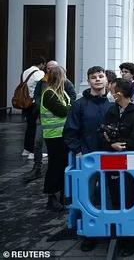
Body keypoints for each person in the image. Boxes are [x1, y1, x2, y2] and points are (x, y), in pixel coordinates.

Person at [63, 65, 112, 252]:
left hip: (110, 159)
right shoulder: (79, 105)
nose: (97, 80)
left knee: (109, 196)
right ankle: (89, 234)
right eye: (93, 77)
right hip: (87, 159)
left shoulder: (112, 103)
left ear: (106, 79)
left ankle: (108, 229)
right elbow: (70, 131)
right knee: (86, 197)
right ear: (89, 80)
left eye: (101, 76)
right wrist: (78, 151)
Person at [101, 78, 134, 257]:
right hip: (113, 163)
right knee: (116, 199)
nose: (110, 93)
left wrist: (120, 143)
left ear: (118, 93)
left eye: (112, 90)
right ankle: (119, 234)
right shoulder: (111, 110)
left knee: (130, 199)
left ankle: (132, 238)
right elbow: (104, 131)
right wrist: (111, 143)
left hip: (131, 166)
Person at [40, 66, 72, 212]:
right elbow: (63, 111)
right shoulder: (49, 94)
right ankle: (51, 196)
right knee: (55, 166)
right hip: (54, 135)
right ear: (60, 77)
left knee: (63, 165)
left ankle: (61, 195)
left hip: (62, 134)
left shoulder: (61, 92)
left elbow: (69, 105)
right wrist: (71, 107)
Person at [20, 56, 46, 158]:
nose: (44, 67)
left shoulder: (25, 72)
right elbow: (44, 86)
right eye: (44, 65)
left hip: (26, 102)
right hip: (35, 103)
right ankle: (33, 152)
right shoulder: (39, 73)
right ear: (41, 64)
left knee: (30, 126)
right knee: (37, 127)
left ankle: (26, 150)